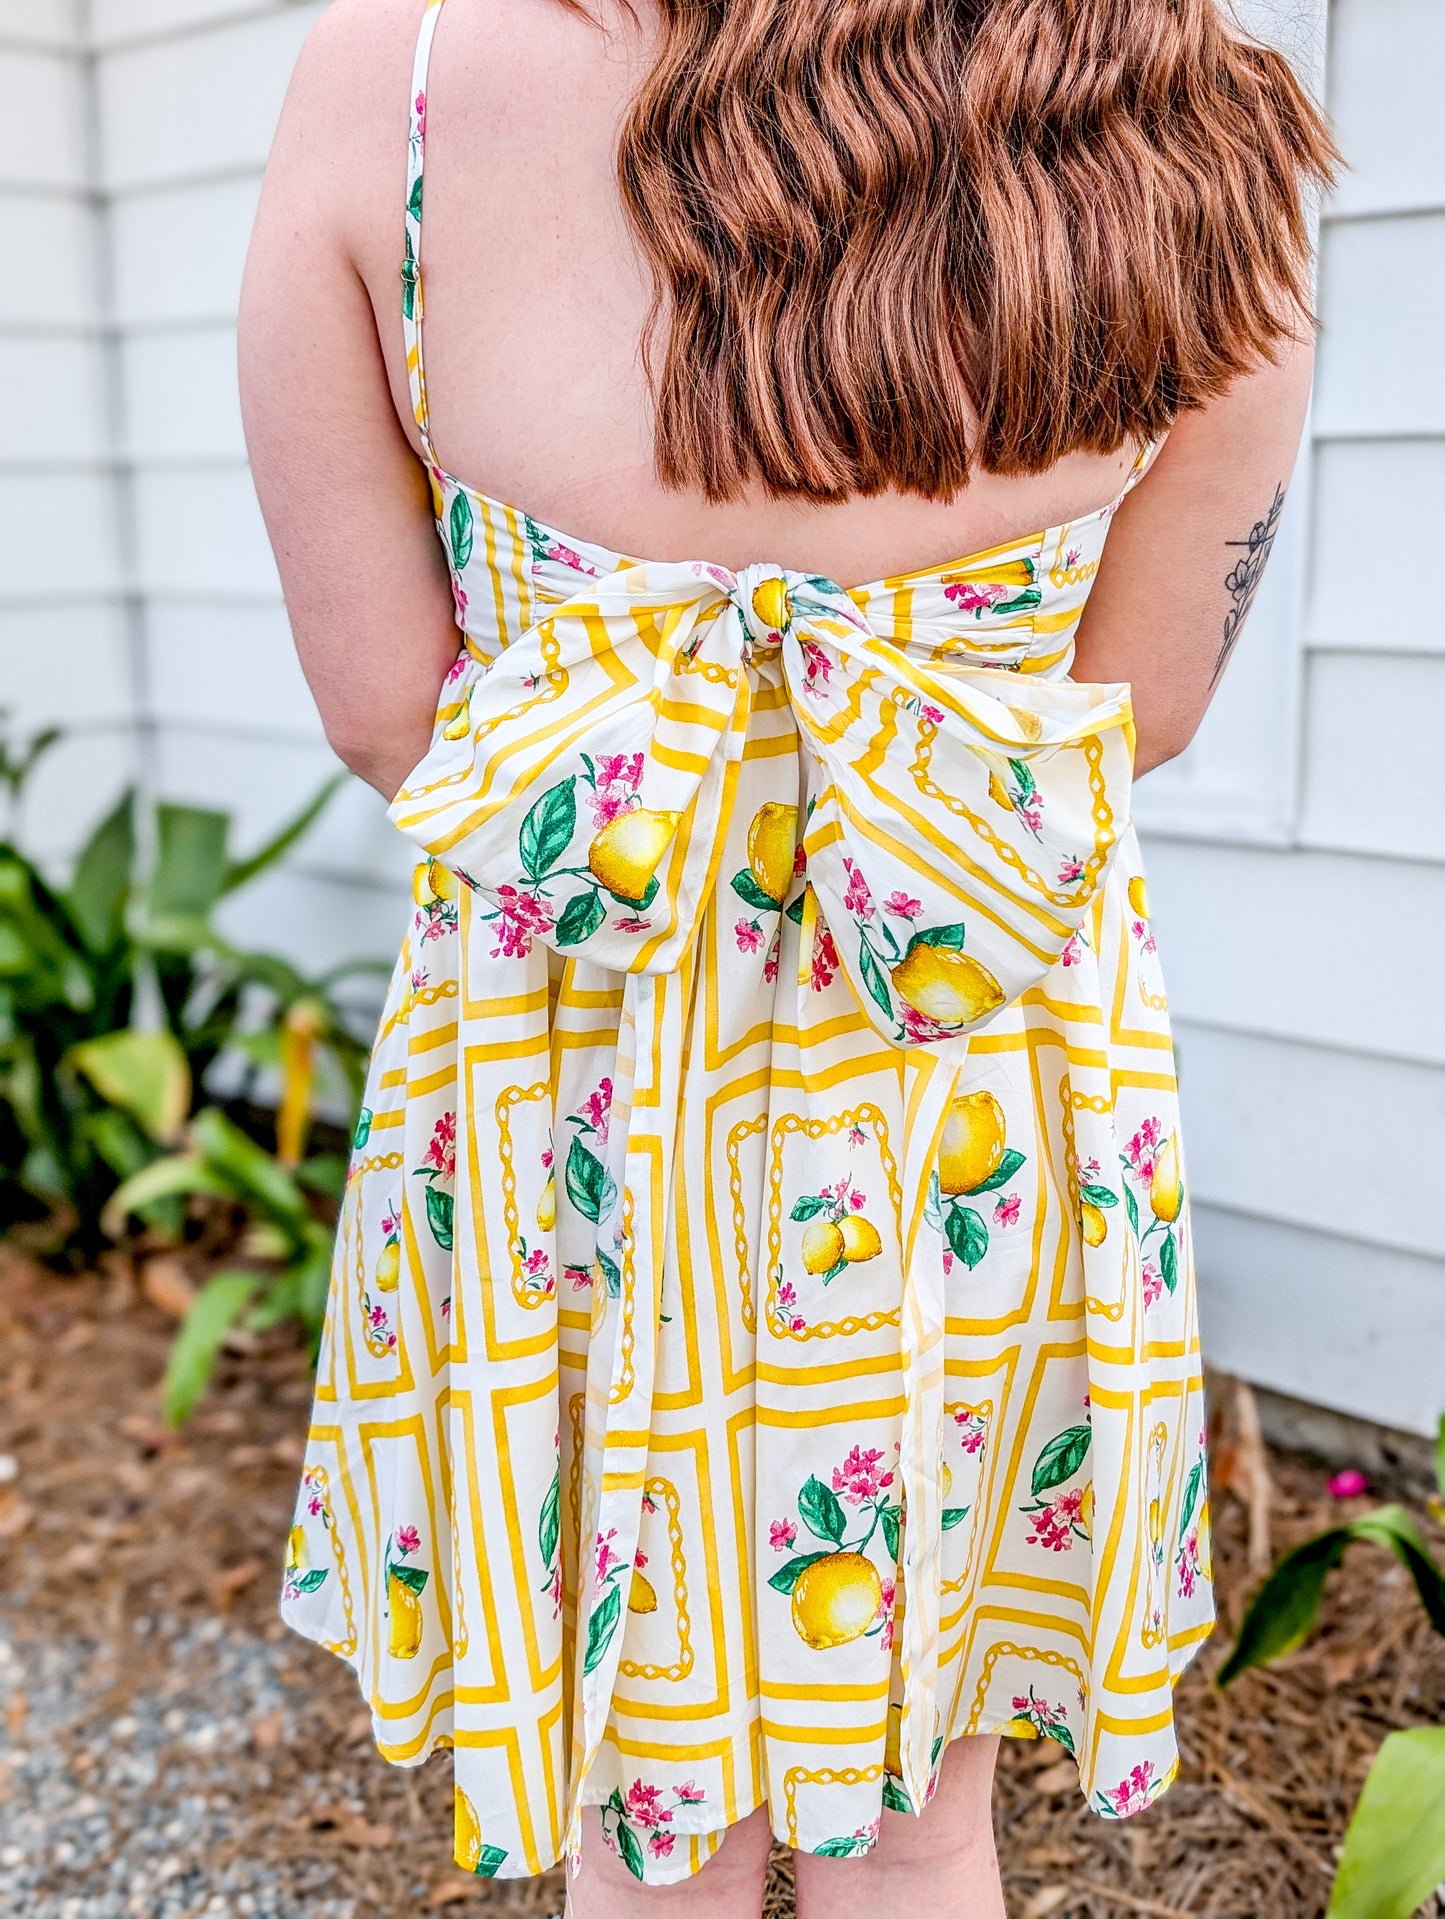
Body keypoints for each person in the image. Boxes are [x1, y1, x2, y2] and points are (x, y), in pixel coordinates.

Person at [238, 1, 1336, 1911]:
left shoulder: (398, 69)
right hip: (964, 1070)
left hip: (569, 1056)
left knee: (635, 1821)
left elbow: (378, 707)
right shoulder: (1192, 93)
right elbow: (1137, 704)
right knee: (922, 1819)